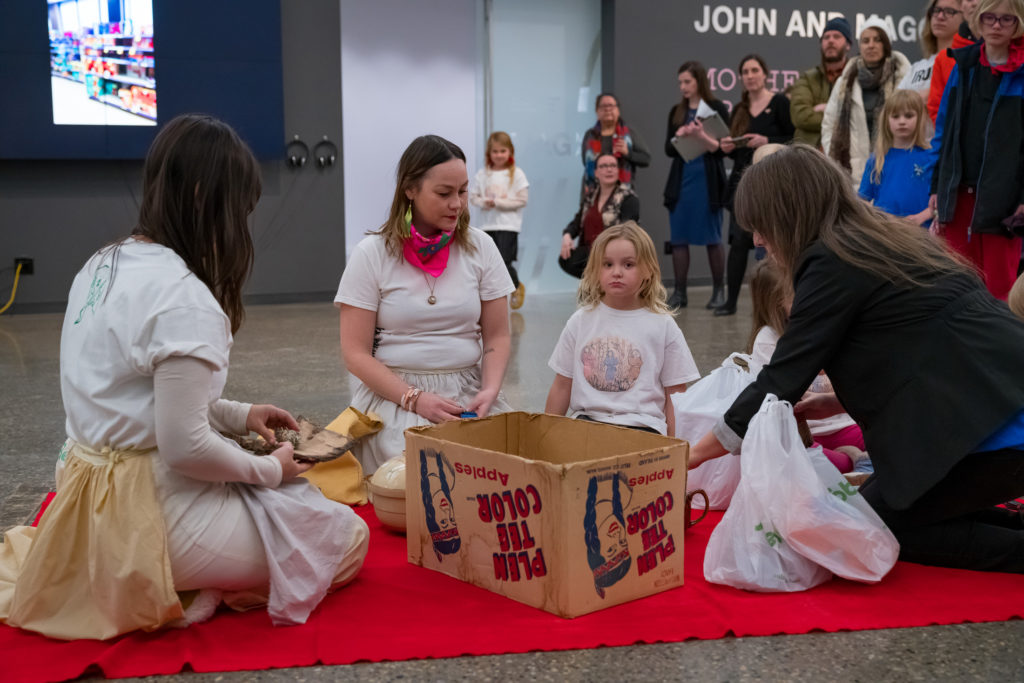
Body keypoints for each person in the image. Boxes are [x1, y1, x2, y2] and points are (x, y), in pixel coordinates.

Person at [0, 114, 369, 641]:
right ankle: (180, 587)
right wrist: (272, 471)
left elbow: (135, 394)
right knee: (344, 537)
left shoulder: (102, 264)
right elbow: (185, 447)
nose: (241, 227)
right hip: (146, 513)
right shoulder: (183, 295)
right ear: (204, 198)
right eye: (239, 210)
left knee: (290, 508)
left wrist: (240, 414)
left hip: (83, 488)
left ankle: (185, 578)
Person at [690, 143, 1024, 573]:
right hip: (998, 399)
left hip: (993, 426)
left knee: (876, 525)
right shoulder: (873, 236)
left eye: (760, 225)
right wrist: (838, 402)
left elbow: (782, 376)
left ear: (787, 214)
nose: (757, 240)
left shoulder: (828, 261)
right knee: (883, 512)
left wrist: (692, 454)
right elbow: (919, 344)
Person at [337, 135, 514, 475]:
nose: (457, 204)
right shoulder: (371, 254)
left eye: (463, 191)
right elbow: (354, 353)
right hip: (395, 396)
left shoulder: (482, 248)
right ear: (410, 190)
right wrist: (415, 399)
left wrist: (489, 391)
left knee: (496, 467)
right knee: (415, 471)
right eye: (444, 193)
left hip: (468, 392)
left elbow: (497, 337)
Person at [546, 221, 700, 436]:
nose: (616, 272)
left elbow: (675, 393)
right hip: (587, 425)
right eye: (607, 264)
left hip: (643, 428)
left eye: (628, 265)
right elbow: (562, 385)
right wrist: (545, 437)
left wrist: (675, 448)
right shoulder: (580, 321)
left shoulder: (663, 325)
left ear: (648, 270)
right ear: (595, 270)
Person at [929, 0, 1024, 301]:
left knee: (1000, 292)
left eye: (1006, 19)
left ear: (1018, 24)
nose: (997, 25)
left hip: (1005, 205)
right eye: (990, 17)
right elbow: (942, 133)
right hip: (958, 199)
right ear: (978, 21)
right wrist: (936, 188)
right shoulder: (962, 66)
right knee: (954, 290)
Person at [747, 261, 868, 476]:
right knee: (805, 461)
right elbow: (790, 395)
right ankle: (852, 462)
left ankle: (856, 463)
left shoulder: (821, 323)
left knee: (887, 437)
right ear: (778, 303)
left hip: (845, 426)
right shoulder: (768, 339)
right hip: (807, 434)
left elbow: (852, 379)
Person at [714, 54, 794, 317]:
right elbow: (734, 151)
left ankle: (776, 301)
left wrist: (766, 139)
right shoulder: (739, 108)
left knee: (772, 243)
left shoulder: (780, 102)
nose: (749, 75)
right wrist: (726, 146)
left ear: (765, 73)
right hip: (742, 182)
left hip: (770, 182)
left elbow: (792, 138)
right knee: (738, 244)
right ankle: (730, 302)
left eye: (754, 70)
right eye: (745, 71)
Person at [662, 61, 730, 308]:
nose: (683, 87)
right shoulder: (676, 112)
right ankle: (680, 293)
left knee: (712, 238)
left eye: (687, 81)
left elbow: (725, 149)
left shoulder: (717, 107)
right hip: (682, 181)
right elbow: (668, 149)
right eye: (680, 82)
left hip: (707, 182)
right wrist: (678, 135)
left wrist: (702, 136)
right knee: (679, 239)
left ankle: (718, 292)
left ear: (700, 81)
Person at [822, 19, 913, 187]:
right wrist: (833, 155)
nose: (871, 45)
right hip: (852, 176)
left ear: (887, 43)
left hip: (895, 170)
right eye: (865, 41)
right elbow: (829, 123)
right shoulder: (846, 80)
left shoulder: (905, 78)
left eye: (877, 39)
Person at [469, 131, 529, 309]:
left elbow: (522, 200)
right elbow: (474, 197)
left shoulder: (517, 174)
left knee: (504, 260)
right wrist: (484, 202)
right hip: (487, 225)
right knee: (489, 263)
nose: (499, 155)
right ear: (489, 153)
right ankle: (495, 298)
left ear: (510, 151)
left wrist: (498, 203)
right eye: (495, 151)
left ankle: (516, 285)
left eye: (503, 151)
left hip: (508, 226)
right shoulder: (483, 174)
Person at [858, 89, 935, 226]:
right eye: (895, 116)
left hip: (924, 235)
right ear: (886, 119)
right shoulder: (877, 159)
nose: (902, 121)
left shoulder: (931, 157)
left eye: (908, 116)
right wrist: (882, 218)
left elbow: (943, 198)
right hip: (887, 234)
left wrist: (922, 216)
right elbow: (862, 200)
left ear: (920, 118)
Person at [559, 153, 640, 278]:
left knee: (600, 261)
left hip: (614, 252)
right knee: (566, 258)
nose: (609, 169)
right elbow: (577, 222)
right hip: (590, 251)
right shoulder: (590, 195)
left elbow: (627, 231)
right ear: (596, 172)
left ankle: (604, 283)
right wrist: (567, 235)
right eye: (604, 166)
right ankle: (596, 284)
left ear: (618, 170)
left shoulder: (628, 197)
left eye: (613, 165)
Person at [790, 16, 854, 148]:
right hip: (810, 156)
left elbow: (857, 118)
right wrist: (839, 115)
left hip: (847, 154)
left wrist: (825, 109)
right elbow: (800, 117)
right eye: (826, 37)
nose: (830, 40)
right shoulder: (807, 78)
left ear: (848, 45)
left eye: (836, 36)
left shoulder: (856, 77)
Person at [581, 92, 650, 196]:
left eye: (611, 106)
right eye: (603, 106)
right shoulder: (589, 135)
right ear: (597, 112)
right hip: (593, 194)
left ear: (618, 111)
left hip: (623, 194)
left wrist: (628, 153)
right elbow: (585, 163)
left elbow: (646, 159)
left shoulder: (629, 134)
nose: (607, 109)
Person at [929, 0, 983, 122]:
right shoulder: (944, 58)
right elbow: (937, 111)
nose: (974, 4)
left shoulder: (1008, 53)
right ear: (962, 7)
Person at [900, 0, 964, 101]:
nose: (940, 16)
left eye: (949, 11)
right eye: (936, 10)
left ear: (965, 18)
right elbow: (894, 106)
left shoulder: (966, 62)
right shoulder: (916, 67)